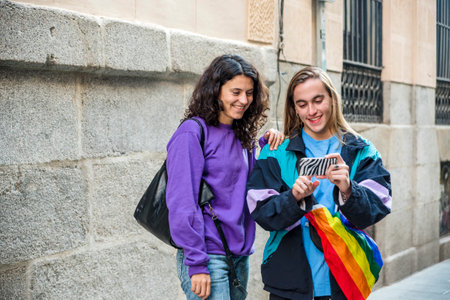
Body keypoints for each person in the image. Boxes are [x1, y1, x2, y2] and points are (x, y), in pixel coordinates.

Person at [246, 66, 392, 300]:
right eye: (302, 104)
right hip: (289, 283)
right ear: (294, 108)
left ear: (332, 99)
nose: (311, 111)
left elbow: (376, 209)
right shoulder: (276, 152)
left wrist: (348, 189)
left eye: (318, 100)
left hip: (344, 281)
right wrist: (292, 198)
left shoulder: (362, 150)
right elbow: (261, 212)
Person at [165, 54, 284, 300]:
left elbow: (244, 183)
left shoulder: (243, 137)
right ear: (216, 91)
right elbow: (181, 202)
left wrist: (265, 143)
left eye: (249, 93)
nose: (244, 100)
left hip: (239, 256)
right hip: (207, 256)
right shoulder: (192, 133)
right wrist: (197, 264)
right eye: (236, 92)